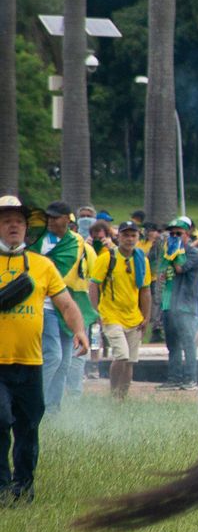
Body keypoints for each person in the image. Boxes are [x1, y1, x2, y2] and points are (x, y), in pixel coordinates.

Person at [0, 196, 90, 505]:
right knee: (0, 420)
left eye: (19, 221)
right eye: (7, 220)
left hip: (30, 363)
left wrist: (79, 330)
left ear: (27, 229)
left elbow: (66, 304)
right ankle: (1, 488)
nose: (14, 225)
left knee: (28, 427)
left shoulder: (42, 265)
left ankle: (23, 488)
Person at [88, 222, 152, 401]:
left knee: (130, 361)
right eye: (126, 235)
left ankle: (122, 399)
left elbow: (145, 290)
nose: (130, 239)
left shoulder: (142, 260)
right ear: (118, 237)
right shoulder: (107, 258)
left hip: (133, 317)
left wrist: (146, 316)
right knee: (122, 356)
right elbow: (94, 284)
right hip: (111, 315)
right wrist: (96, 312)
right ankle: (113, 394)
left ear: (138, 238)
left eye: (133, 235)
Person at [34, 201, 88, 412]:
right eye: (48, 217)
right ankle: (35, 401)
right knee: (53, 356)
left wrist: (42, 263)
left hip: (64, 304)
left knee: (65, 362)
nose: (50, 221)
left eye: (56, 217)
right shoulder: (36, 238)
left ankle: (52, 408)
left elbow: (58, 268)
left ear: (68, 218)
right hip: (43, 306)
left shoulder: (74, 241)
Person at [160, 218, 198, 389]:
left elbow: (180, 268)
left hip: (184, 304)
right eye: (171, 234)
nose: (174, 236)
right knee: (172, 344)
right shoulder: (168, 252)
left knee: (187, 343)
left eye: (178, 233)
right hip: (168, 303)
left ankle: (190, 378)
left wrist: (174, 252)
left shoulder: (192, 253)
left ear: (187, 235)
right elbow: (163, 273)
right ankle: (174, 378)